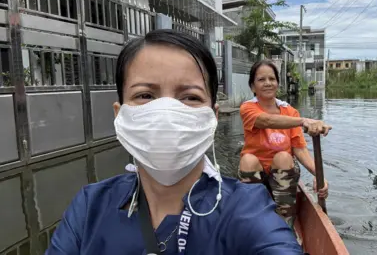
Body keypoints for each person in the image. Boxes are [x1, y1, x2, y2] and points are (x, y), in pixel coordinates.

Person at [45, 30, 303, 254]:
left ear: (212, 118)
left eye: (190, 97)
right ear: (119, 114)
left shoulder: (246, 208)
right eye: (145, 95)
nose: (166, 112)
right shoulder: (89, 207)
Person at [239, 59, 332, 228]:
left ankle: (285, 220)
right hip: (257, 173)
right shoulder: (247, 108)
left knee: (283, 156)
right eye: (261, 80)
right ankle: (254, 220)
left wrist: (319, 176)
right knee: (248, 159)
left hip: (282, 173)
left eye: (272, 79)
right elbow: (266, 121)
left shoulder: (290, 112)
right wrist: (303, 121)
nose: (267, 83)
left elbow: (300, 150)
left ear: (278, 84)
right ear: (252, 87)